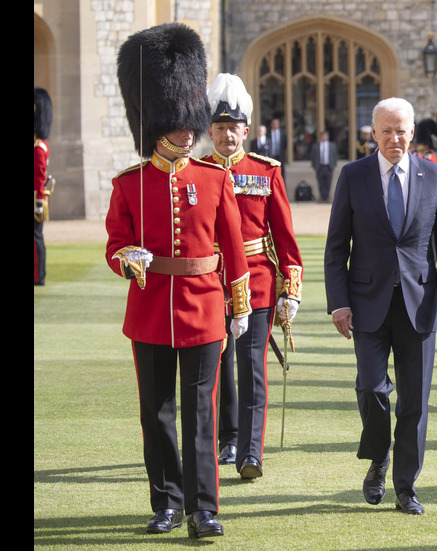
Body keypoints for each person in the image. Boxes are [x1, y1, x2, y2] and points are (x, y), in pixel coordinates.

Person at [107, 23, 252, 538]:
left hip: (205, 308)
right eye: (181, 124)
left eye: (193, 123)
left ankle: (203, 509)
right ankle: (166, 502)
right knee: (157, 414)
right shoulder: (129, 184)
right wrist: (130, 257)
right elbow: (115, 243)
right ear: (158, 122)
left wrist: (240, 304)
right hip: (150, 309)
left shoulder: (214, 179)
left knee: (201, 415)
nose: (191, 132)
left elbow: (233, 247)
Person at [324, 97, 437, 515]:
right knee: (370, 388)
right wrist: (338, 303)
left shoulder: (434, 175)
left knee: (414, 401)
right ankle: (379, 455)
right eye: (386, 130)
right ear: (373, 132)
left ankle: (406, 486)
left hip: (419, 304)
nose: (394, 138)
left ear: (413, 132)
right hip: (366, 304)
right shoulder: (353, 176)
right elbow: (335, 248)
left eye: (401, 130)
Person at [204, 73, 303, 480]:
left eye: (234, 128)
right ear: (210, 130)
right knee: (216, 368)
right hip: (210, 283)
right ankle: (226, 438)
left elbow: (284, 237)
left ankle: (250, 452)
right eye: (221, 127)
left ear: (247, 130)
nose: (228, 135)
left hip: (258, 280)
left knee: (252, 367)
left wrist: (290, 290)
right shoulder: (195, 170)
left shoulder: (266, 171)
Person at [34, 88, 53, 286]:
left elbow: (39, 177)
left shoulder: (39, 147)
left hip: (35, 199)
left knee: (36, 236)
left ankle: (38, 276)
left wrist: (38, 202)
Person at [312, 130, 337, 202]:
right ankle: (322, 196)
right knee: (320, 182)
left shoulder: (332, 145)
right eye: (322, 136)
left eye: (325, 135)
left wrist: (334, 164)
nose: (324, 137)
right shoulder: (316, 146)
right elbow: (313, 156)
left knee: (328, 182)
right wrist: (313, 165)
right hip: (319, 167)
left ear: (327, 137)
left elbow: (334, 155)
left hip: (329, 166)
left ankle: (327, 196)